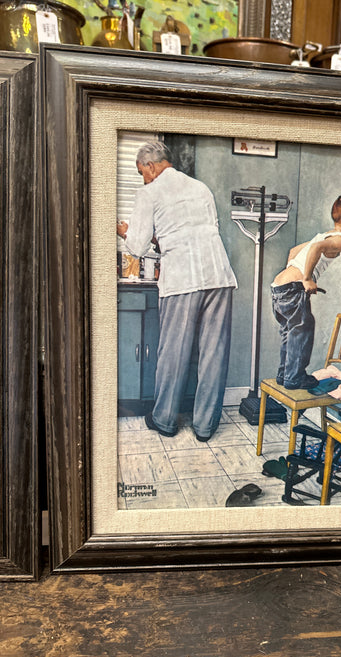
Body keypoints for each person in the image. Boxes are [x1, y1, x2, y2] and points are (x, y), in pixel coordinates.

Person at [117, 141, 237, 441]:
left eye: (141, 172)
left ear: (151, 165)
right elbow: (199, 232)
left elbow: (136, 247)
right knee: (214, 354)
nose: (143, 178)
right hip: (219, 275)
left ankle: (165, 420)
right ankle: (205, 427)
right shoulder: (201, 188)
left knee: (173, 352)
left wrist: (124, 232)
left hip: (183, 279)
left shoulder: (149, 192)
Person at [271, 195, 341, 390]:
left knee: (291, 332)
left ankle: (285, 375)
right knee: (303, 330)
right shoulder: (340, 242)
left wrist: (295, 274)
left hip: (279, 287)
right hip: (293, 287)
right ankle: (295, 378)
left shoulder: (325, 235)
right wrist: (306, 278)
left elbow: (293, 251)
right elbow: (316, 248)